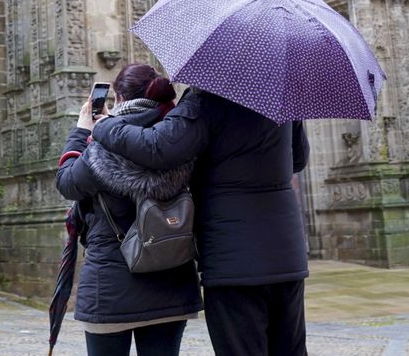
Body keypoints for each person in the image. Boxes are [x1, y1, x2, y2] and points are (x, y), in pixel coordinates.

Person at [93, 88, 309, 356]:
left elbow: (157, 147)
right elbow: (298, 159)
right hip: (287, 253)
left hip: (234, 259)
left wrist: (104, 126)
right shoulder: (281, 97)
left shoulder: (207, 98)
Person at [55, 63, 202, 356]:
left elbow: (67, 182)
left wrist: (82, 130)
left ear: (119, 97)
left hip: (111, 288)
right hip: (170, 282)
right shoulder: (180, 139)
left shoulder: (104, 143)